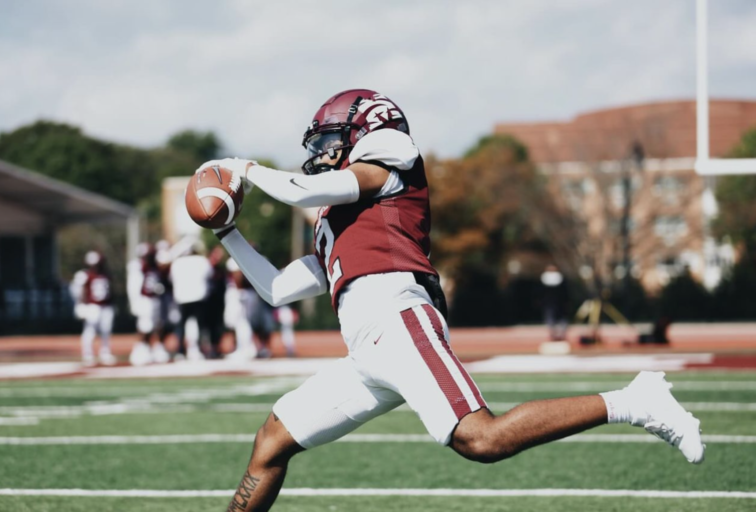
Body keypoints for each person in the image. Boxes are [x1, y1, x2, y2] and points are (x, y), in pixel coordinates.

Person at [195, 89, 704, 511]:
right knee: (271, 443)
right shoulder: (336, 219)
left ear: (367, 130)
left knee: (481, 438)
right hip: (366, 352)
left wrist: (243, 169)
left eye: (331, 140)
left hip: (398, 318)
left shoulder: (389, 159)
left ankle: (635, 401)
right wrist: (227, 231)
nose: (323, 151)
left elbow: (301, 192)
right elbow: (277, 289)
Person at [70, 251, 116, 367]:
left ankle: (105, 352)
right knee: (90, 330)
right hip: (92, 306)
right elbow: (77, 291)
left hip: (106, 306)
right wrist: (80, 305)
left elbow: (110, 291)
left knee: (106, 330)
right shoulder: (84, 275)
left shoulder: (106, 275)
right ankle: (87, 354)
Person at [129, 244, 172, 366]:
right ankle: (141, 348)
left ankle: (157, 348)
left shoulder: (155, 266)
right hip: (145, 300)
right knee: (145, 325)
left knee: (158, 324)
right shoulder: (138, 266)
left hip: (156, 300)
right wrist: (135, 302)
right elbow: (134, 286)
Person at [169, 242, 212, 361]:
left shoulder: (177, 263)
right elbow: (210, 275)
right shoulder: (202, 260)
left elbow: (171, 279)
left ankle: (180, 351)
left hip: (182, 298)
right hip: (199, 297)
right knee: (201, 325)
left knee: (181, 326)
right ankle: (201, 349)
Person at [224, 257, 257, 361]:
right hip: (248, 293)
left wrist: (239, 290)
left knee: (241, 322)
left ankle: (245, 348)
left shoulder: (235, 259)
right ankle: (246, 348)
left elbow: (237, 274)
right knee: (243, 322)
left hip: (241, 293)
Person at [540, 264, 569, 341]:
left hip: (559, 303)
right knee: (550, 319)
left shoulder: (561, 279)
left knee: (562, 319)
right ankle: (553, 334)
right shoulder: (544, 278)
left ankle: (561, 334)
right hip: (549, 303)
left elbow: (565, 291)